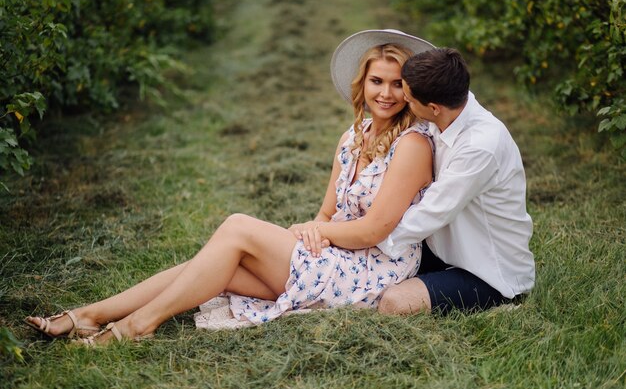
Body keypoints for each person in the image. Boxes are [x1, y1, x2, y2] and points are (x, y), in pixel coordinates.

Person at [24, 29, 435, 344]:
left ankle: (136, 324)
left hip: (373, 270)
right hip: (336, 252)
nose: (386, 93)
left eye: (397, 83)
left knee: (238, 227)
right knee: (215, 267)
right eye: (377, 81)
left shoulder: (412, 145)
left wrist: (312, 233)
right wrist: (315, 231)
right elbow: (327, 213)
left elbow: (375, 230)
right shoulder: (352, 136)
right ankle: (89, 315)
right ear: (361, 84)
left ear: (411, 89)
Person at [301, 47, 535, 314]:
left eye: (409, 99)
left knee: (394, 302)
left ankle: (503, 305)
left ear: (433, 108)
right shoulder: (445, 113)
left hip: (486, 271)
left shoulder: (479, 146)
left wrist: (358, 239)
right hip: (436, 254)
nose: (402, 102)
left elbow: (427, 215)